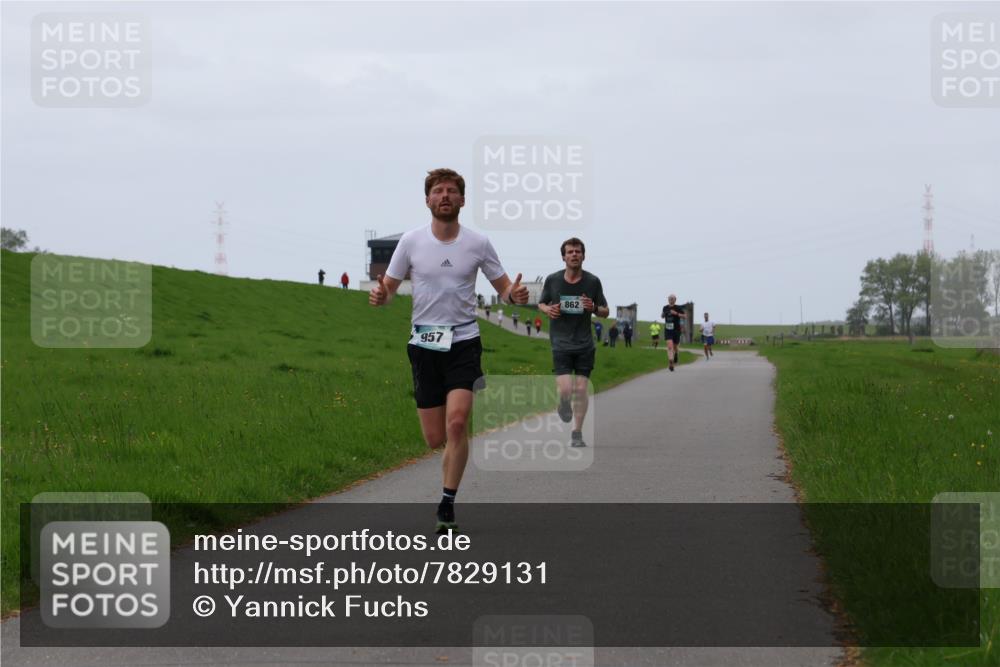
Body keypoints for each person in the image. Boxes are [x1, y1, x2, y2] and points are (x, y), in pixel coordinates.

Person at [369, 168, 528, 533]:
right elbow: (389, 288)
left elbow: (503, 287)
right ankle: (448, 475)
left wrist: (513, 295)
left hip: (464, 342)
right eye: (438, 191)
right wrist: (380, 296)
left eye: (451, 191)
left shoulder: (478, 243)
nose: (444, 196)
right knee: (435, 438)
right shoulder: (410, 242)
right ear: (427, 200)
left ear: (462, 200)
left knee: (457, 424)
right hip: (424, 344)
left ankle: (447, 502)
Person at [537, 237, 609, 448]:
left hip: (585, 343)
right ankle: (563, 403)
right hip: (560, 342)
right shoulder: (553, 280)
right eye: (570, 252)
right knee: (567, 389)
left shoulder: (593, 281)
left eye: (578, 251)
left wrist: (593, 308)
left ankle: (576, 433)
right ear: (563, 257)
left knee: (581, 389)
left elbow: (606, 311)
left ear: (583, 256)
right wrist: (548, 309)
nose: (574, 255)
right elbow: (541, 302)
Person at [661, 295, 686, 371]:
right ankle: (671, 362)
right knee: (669, 346)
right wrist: (663, 314)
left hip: (676, 330)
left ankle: (676, 355)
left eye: (672, 299)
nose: (671, 300)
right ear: (668, 299)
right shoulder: (665, 307)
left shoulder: (678, 308)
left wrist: (676, 313)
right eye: (669, 299)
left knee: (675, 347)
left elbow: (685, 316)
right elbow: (662, 316)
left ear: (675, 300)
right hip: (668, 330)